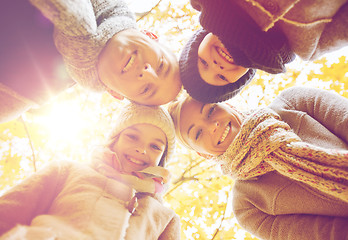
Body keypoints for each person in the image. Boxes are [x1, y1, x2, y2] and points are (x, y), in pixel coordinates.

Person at [168, 86, 348, 239]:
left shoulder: (293, 102)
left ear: (227, 103)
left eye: (211, 110)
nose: (212, 126)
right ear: (203, 154)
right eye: (198, 134)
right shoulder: (246, 207)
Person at [0, 103, 181, 240]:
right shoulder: (66, 171)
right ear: (114, 140)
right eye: (132, 136)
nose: (142, 149)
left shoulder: (165, 218)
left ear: (162, 159)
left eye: (155, 146)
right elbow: (7, 214)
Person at [0, 0, 182, 124]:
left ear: (115, 94)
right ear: (150, 35)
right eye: (161, 65)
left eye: (145, 89)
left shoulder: (30, 91)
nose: (147, 73)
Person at [179, 0, 348, 103]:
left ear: (199, 40)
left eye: (203, 62)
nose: (217, 66)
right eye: (221, 77)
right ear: (244, 77)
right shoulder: (309, 48)